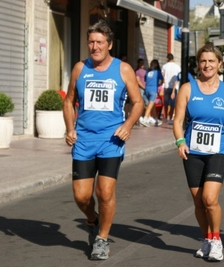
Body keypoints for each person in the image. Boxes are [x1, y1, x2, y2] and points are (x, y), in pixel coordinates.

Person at [63, 20, 143, 260]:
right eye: (91, 42)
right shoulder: (80, 68)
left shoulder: (123, 69)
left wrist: (128, 125)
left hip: (111, 140)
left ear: (109, 44)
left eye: (99, 42)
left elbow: (138, 102)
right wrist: (69, 128)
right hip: (84, 140)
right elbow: (68, 100)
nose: (94, 46)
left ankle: (102, 239)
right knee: (81, 196)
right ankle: (92, 221)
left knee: (105, 192)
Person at [173, 44, 224, 262]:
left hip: (218, 150)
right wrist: (180, 141)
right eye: (203, 61)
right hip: (193, 151)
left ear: (220, 64)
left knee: (210, 198)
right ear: (198, 64)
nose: (207, 65)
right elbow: (178, 120)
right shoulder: (187, 89)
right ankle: (206, 239)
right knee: (199, 201)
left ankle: (217, 241)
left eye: (211, 61)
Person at [141, 59, 163, 126]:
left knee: (152, 105)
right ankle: (145, 119)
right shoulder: (157, 72)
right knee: (150, 106)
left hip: (146, 90)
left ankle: (156, 119)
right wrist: (159, 84)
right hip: (153, 90)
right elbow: (162, 79)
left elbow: (145, 80)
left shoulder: (147, 72)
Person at [162, 53, 181, 124]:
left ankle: (166, 116)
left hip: (166, 86)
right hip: (175, 87)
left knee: (166, 103)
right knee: (173, 103)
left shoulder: (164, 66)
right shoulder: (177, 66)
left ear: (167, 58)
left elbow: (163, 75)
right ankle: (170, 117)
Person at [135, 58, 149, 127]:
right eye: (141, 63)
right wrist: (143, 87)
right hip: (141, 89)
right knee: (141, 103)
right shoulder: (137, 71)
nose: (142, 64)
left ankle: (144, 117)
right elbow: (138, 81)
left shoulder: (146, 71)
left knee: (146, 104)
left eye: (143, 63)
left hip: (146, 88)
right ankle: (140, 117)